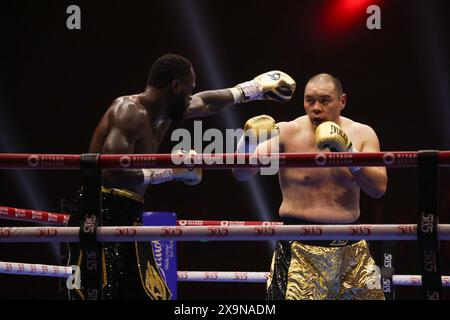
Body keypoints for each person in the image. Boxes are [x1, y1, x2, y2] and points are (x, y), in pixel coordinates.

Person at [66, 53, 296, 300]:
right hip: (100, 212)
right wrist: (172, 172)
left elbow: (205, 103)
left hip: (129, 213)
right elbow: (112, 174)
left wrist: (253, 89)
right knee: (104, 295)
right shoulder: (129, 112)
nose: (190, 97)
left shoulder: (163, 112)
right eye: (188, 90)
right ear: (175, 86)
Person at [232, 73, 387, 300]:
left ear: (342, 101)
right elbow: (242, 173)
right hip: (299, 248)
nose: (315, 108)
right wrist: (247, 142)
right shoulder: (286, 132)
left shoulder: (363, 134)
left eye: (324, 101)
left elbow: (378, 188)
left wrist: (348, 153)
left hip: (352, 249)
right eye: (309, 100)